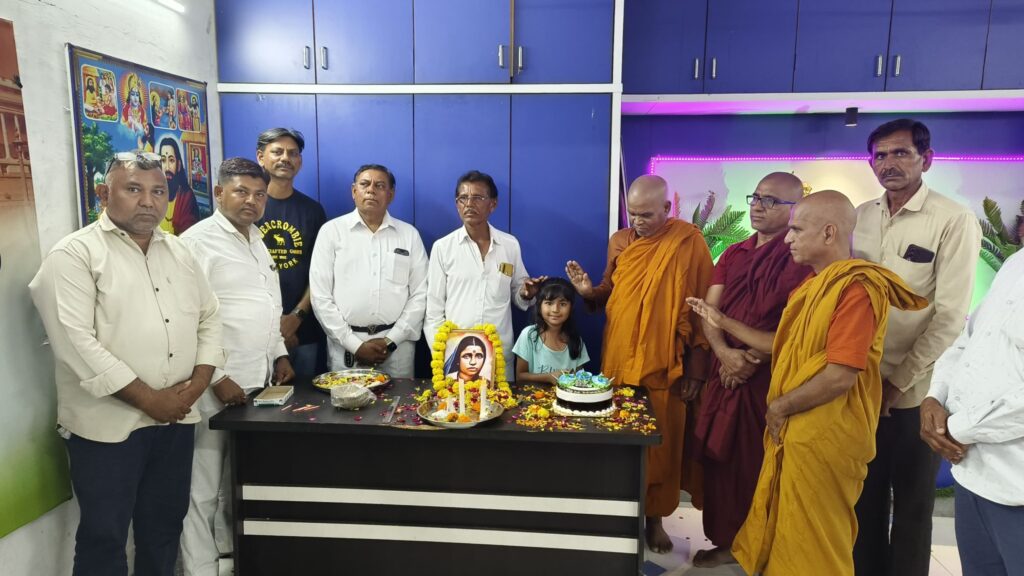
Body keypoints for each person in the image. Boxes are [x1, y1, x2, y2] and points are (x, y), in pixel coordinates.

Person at [688, 190, 927, 576]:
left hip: (826, 431)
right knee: (789, 532)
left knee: (816, 540)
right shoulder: (812, 287)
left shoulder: (855, 290)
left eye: (797, 230)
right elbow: (782, 344)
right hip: (799, 429)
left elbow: (840, 374)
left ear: (829, 233)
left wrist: (779, 406)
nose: (788, 238)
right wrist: (723, 323)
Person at [29, 150, 224, 575]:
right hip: (108, 427)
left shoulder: (179, 251)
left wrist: (196, 385)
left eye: (158, 191)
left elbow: (209, 317)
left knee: (163, 528)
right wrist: (150, 399)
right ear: (104, 194)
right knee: (105, 537)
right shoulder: (75, 255)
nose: (148, 202)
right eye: (134, 189)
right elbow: (75, 343)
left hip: (175, 420)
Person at [852, 119, 982, 576]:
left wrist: (897, 382)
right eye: (880, 155)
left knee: (911, 504)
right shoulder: (860, 216)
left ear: (926, 159)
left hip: (914, 392)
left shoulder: (953, 219)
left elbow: (949, 316)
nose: (888, 163)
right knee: (862, 498)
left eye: (901, 153)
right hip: (859, 383)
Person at [565, 174, 713, 553]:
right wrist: (588, 292)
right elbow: (609, 290)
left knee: (661, 446)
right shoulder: (620, 241)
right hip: (619, 358)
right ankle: (620, 514)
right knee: (620, 440)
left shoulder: (689, 242)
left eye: (646, 214)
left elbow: (701, 310)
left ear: (667, 208)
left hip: (665, 364)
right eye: (632, 214)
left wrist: (697, 370)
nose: (638, 222)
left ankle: (655, 519)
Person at [178, 158, 294, 576]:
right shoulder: (197, 243)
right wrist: (217, 376)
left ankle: (230, 557)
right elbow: (186, 318)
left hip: (257, 382)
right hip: (214, 387)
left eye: (259, 194)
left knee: (237, 479)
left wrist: (279, 352)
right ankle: (199, 568)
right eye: (241, 191)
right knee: (203, 486)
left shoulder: (257, 239)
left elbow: (270, 305)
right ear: (219, 192)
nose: (251, 201)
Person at [691, 172, 812, 568]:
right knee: (722, 462)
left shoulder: (799, 256)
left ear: (795, 208)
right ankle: (728, 541)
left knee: (758, 462)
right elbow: (710, 310)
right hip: (724, 372)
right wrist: (725, 354)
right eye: (756, 197)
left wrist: (750, 360)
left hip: (769, 377)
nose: (759, 206)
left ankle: (763, 544)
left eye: (771, 201)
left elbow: (798, 327)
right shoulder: (733, 253)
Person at [921, 251, 1024, 576]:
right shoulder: (1016, 264)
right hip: (971, 476)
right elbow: (969, 339)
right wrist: (934, 396)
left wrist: (957, 429)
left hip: (1017, 485)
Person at [424, 170, 545, 381]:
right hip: (456, 355)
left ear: (493, 204)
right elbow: (434, 309)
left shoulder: (509, 245)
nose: (469, 204)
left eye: (478, 197)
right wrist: (443, 351)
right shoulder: (443, 248)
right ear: (457, 204)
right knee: (456, 404)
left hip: (498, 355)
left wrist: (526, 294)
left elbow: (519, 293)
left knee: (502, 403)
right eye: (463, 198)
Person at [310, 164, 427, 378]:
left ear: (390, 195)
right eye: (365, 184)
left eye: (379, 185)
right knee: (348, 400)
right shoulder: (331, 232)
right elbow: (320, 297)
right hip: (345, 346)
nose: (371, 190)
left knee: (400, 399)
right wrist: (355, 345)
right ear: (354, 191)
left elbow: (421, 293)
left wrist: (391, 341)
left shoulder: (409, 235)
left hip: (397, 347)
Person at [256, 128, 328, 377]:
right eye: (277, 152)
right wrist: (273, 328)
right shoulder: (249, 209)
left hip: (303, 331)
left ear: (300, 161)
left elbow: (320, 274)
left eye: (292, 153)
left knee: (305, 398)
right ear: (260, 157)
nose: (285, 158)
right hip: (256, 332)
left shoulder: (313, 211)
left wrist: (295, 317)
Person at [512, 277, 590, 384]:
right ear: (539, 305)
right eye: (549, 303)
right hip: (533, 394)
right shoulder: (529, 335)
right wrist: (548, 377)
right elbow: (520, 377)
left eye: (562, 304)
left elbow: (580, 380)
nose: (555, 310)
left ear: (571, 308)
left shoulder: (576, 341)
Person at [158, 137, 201, 235]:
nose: (167, 167)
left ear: (179, 165)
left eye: (171, 160)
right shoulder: (154, 193)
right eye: (163, 160)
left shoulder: (186, 197)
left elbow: (189, 234)